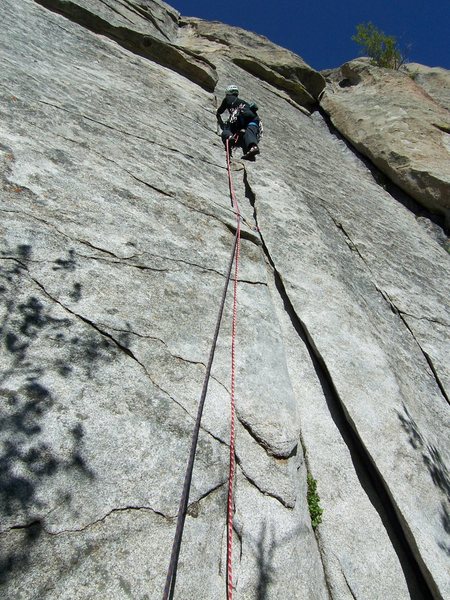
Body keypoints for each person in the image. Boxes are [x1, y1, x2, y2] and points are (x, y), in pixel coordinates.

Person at [216, 85, 261, 160]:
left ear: (228, 93)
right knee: (250, 131)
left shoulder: (228, 98)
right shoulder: (244, 102)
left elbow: (220, 110)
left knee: (227, 128)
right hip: (253, 119)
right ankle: (253, 147)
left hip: (239, 116)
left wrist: (217, 112)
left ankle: (230, 137)